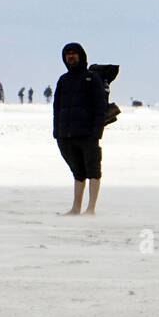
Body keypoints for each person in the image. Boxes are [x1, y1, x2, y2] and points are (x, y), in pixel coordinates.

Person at [54, 42, 112, 215]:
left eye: (74, 53)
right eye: (67, 54)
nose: (70, 56)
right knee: (77, 172)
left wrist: (97, 132)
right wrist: (57, 132)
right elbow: (57, 108)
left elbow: (99, 107)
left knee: (93, 170)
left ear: (81, 56)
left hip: (88, 134)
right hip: (66, 135)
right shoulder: (63, 80)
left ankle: (91, 208)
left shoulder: (91, 78)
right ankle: (76, 208)